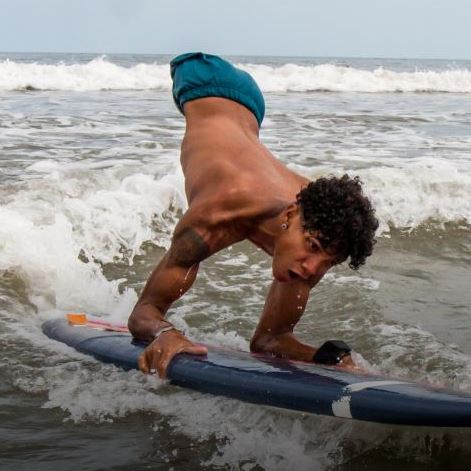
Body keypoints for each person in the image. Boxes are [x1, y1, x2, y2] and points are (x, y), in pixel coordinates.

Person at [127, 53, 379, 378]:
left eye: (329, 262)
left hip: (252, 110)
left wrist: (326, 357)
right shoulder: (219, 211)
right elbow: (143, 313)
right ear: (291, 214)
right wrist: (164, 333)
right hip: (202, 81)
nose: (313, 269)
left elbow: (269, 342)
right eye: (313, 247)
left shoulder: (318, 221)